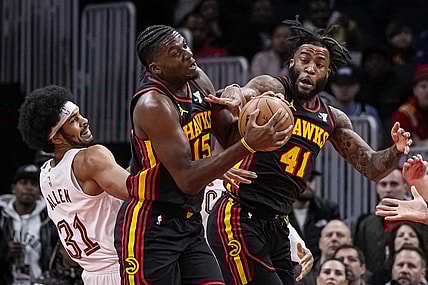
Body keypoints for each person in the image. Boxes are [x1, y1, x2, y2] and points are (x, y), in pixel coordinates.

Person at [205, 17, 412, 285]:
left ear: (328, 73)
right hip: (238, 212)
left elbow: (371, 167)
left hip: (278, 221)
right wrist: (234, 94)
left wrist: (396, 149)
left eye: (319, 64)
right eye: (304, 60)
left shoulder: (333, 119)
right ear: (291, 62)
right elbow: (244, 91)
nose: (310, 68)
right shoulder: (274, 90)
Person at [114, 25, 292, 284]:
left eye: (185, 46)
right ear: (156, 69)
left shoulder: (197, 78)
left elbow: (228, 135)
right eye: (175, 53)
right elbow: (187, 179)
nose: (188, 54)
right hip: (150, 223)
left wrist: (256, 121)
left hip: (189, 220)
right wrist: (249, 145)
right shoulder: (153, 105)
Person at [18, 85, 130, 284]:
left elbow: (98, 198)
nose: (84, 121)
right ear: (58, 138)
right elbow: (140, 192)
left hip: (91, 274)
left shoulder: (45, 175)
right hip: (123, 268)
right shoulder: (90, 158)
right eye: (74, 120)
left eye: (79, 115)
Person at [0, 164, 58, 282]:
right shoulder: (1, 216)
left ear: (40, 191)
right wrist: (3, 250)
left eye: (34, 184)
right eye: (24, 182)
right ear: (13, 188)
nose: (29, 188)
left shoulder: (50, 218)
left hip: (40, 281)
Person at [289, 169, 341, 260]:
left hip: (321, 267)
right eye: (303, 179)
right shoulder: (280, 211)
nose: (307, 184)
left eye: (311, 179)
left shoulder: (328, 209)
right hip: (289, 268)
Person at [376, 155, 428, 224]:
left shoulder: (420, 214)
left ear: (405, 187)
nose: (388, 190)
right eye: (383, 184)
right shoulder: (366, 222)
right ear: (377, 188)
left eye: (394, 184)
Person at [392, 64, 428, 147]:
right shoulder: (404, 114)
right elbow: (399, 147)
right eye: (423, 86)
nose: (427, 91)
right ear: (415, 90)